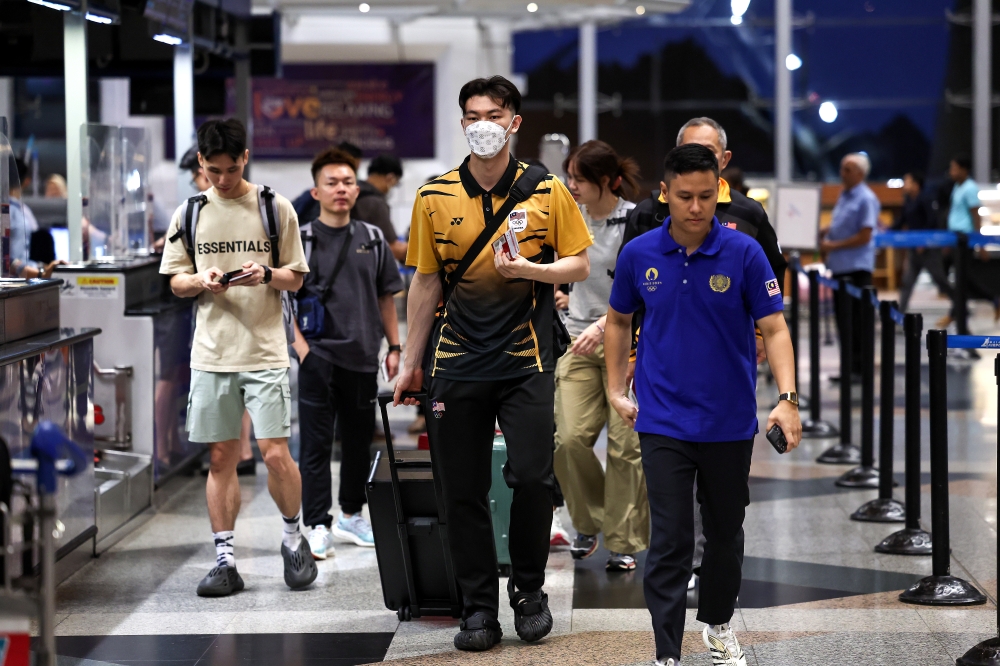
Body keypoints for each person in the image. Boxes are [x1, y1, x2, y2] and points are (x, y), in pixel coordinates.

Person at [393, 75, 592, 652]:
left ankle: (528, 591)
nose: (483, 125)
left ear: (514, 122)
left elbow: (578, 264)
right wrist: (409, 362)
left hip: (525, 359)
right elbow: (425, 282)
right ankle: (478, 607)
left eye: (494, 115)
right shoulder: (433, 195)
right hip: (456, 362)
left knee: (532, 477)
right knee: (461, 489)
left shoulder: (546, 190)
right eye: (473, 115)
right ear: (463, 123)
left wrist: (532, 271)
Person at [606, 143, 802, 666]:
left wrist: (787, 399)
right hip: (663, 420)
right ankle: (666, 651)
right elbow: (619, 320)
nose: (696, 207)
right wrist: (614, 389)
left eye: (706, 196)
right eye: (684, 196)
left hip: (728, 421)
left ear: (719, 191)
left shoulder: (745, 252)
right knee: (670, 538)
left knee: (723, 534)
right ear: (664, 193)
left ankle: (718, 624)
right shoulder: (639, 254)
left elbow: (775, 328)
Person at [624, 116, 786, 590]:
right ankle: (673, 577)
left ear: (723, 163)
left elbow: (773, 288)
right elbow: (626, 301)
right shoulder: (646, 217)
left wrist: (763, 339)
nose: (694, 205)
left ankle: (711, 585)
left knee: (721, 512)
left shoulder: (748, 218)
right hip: (662, 381)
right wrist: (630, 358)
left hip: (726, 387)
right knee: (671, 499)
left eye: (709, 156)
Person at [159, 118, 316, 597]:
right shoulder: (189, 212)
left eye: (231, 169)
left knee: (275, 454)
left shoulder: (274, 207)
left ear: (245, 157)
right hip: (212, 353)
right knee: (221, 456)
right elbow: (176, 281)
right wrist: (199, 279)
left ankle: (293, 539)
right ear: (201, 164)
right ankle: (225, 559)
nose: (223, 179)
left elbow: (297, 277)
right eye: (213, 171)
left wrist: (266, 273)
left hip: (265, 350)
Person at [291, 148, 404, 560]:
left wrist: (394, 346)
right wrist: (302, 351)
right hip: (318, 357)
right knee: (316, 446)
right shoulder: (301, 240)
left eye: (347, 182)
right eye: (332, 183)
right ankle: (318, 524)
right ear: (316, 191)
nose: (341, 189)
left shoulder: (372, 239)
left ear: (357, 190)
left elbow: (386, 297)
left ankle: (351, 515)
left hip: (361, 356)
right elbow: (284, 300)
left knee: (358, 443)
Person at [552, 140, 649, 571]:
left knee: (626, 448)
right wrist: (562, 293)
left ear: (607, 181)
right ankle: (590, 521)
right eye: (570, 177)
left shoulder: (636, 219)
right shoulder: (568, 216)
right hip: (577, 341)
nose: (571, 185)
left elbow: (644, 287)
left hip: (626, 344)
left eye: (579, 179)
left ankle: (624, 542)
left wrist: (604, 324)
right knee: (569, 440)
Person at [176, 145, 259, 477]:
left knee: (239, 382)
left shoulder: (245, 209)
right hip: (216, 315)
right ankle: (240, 450)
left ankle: (241, 449)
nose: (211, 181)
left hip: (240, 316)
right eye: (209, 173)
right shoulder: (195, 211)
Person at [820, 153, 879, 379]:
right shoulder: (844, 195)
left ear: (861, 174)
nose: (842, 173)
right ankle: (848, 369)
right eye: (842, 168)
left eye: (848, 169)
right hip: (840, 268)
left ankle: (861, 370)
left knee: (858, 322)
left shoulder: (866, 199)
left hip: (856, 269)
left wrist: (833, 245)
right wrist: (827, 232)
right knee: (844, 322)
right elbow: (842, 225)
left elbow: (865, 235)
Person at [894, 172, 954, 313]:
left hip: (928, 249)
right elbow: (902, 220)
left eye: (907, 181)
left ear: (916, 184)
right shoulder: (908, 200)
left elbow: (932, 221)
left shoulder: (926, 198)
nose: (904, 185)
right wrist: (887, 231)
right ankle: (900, 313)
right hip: (914, 248)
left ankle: (960, 305)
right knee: (907, 282)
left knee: (940, 280)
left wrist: (924, 242)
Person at [938, 154, 982, 330]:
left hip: (965, 239)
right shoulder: (957, 187)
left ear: (964, 170)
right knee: (962, 281)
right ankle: (958, 318)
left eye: (954, 168)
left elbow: (975, 215)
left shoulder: (970, 188)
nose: (951, 172)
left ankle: (957, 319)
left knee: (962, 281)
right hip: (954, 239)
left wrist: (980, 242)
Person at [9, 157, 62, 279]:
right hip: (14, 281)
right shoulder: (12, 212)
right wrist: (40, 274)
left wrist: (42, 268)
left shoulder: (20, 211)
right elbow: (8, 261)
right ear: (26, 181)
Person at [355, 154, 407, 262]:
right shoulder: (375, 202)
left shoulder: (352, 193)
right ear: (390, 178)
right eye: (395, 184)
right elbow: (392, 248)